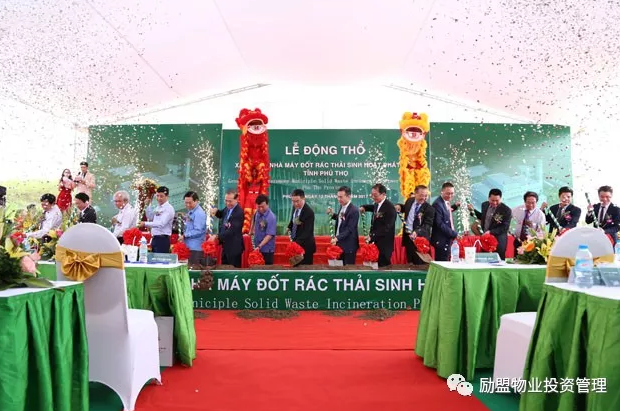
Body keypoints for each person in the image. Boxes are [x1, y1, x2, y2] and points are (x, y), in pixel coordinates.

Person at [467, 188, 512, 259]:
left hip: (498, 242)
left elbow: (505, 227)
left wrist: (490, 232)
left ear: (500, 199)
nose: (494, 203)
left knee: (498, 262)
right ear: (488, 198)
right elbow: (483, 217)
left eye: (497, 200)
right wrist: (472, 211)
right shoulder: (484, 205)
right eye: (492, 200)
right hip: (485, 241)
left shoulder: (506, 210)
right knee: (484, 260)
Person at [395, 185, 435, 264]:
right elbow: (405, 208)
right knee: (410, 262)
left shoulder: (430, 209)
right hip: (408, 238)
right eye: (421, 195)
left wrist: (416, 232)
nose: (423, 198)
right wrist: (399, 206)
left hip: (420, 241)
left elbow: (427, 225)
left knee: (420, 264)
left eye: (426, 196)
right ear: (415, 194)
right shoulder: (409, 201)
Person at [360, 184, 396, 267]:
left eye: (375, 195)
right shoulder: (378, 203)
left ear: (383, 194)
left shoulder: (390, 208)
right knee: (373, 266)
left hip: (384, 244)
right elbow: (374, 208)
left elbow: (387, 227)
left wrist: (372, 235)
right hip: (375, 242)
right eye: (372, 195)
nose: (373, 197)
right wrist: (364, 207)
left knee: (383, 267)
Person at [210, 190, 245, 268]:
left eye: (230, 201)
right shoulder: (228, 208)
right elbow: (222, 214)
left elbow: (232, 230)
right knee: (224, 269)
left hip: (234, 247)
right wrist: (216, 211)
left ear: (236, 199)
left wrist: (217, 236)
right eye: (226, 201)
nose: (228, 203)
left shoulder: (238, 213)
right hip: (225, 246)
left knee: (233, 271)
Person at [327, 186, 359, 265]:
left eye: (341, 197)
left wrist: (336, 238)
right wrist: (332, 215)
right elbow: (341, 220)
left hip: (349, 246)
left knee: (348, 269)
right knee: (339, 268)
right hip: (340, 244)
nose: (339, 199)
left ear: (348, 196)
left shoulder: (354, 210)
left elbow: (349, 229)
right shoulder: (342, 206)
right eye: (338, 197)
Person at [139, 186, 174, 253]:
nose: (159, 198)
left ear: (167, 197)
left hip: (162, 239)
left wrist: (145, 224)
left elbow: (161, 224)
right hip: (155, 238)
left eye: (161, 196)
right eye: (157, 196)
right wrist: (148, 205)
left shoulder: (169, 209)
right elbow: (150, 217)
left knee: (160, 259)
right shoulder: (158, 207)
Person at [431, 182, 459, 261]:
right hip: (441, 241)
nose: (450, 196)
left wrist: (455, 206)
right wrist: (453, 233)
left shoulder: (445, 202)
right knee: (442, 263)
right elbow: (439, 224)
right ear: (442, 192)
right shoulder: (437, 204)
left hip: (446, 239)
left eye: (452, 193)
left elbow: (446, 214)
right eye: (447, 193)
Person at [287, 189, 316, 265]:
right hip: (296, 244)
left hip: (305, 247)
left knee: (305, 269)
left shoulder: (309, 212)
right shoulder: (295, 207)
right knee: (295, 268)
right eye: (293, 201)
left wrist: (295, 244)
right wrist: (289, 227)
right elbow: (293, 219)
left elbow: (307, 232)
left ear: (303, 198)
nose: (295, 204)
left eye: (297, 201)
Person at [181, 191, 207, 266]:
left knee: (193, 269)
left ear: (196, 201)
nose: (188, 205)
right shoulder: (191, 211)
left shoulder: (199, 213)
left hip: (195, 248)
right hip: (190, 247)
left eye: (190, 203)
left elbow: (198, 230)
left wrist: (185, 235)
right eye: (186, 203)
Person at [252, 194, 277, 265]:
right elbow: (253, 220)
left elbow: (269, 235)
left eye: (262, 206)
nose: (260, 209)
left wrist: (259, 246)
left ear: (267, 205)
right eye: (258, 206)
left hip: (266, 250)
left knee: (266, 269)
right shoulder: (257, 213)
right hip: (257, 248)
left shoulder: (271, 217)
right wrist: (250, 232)